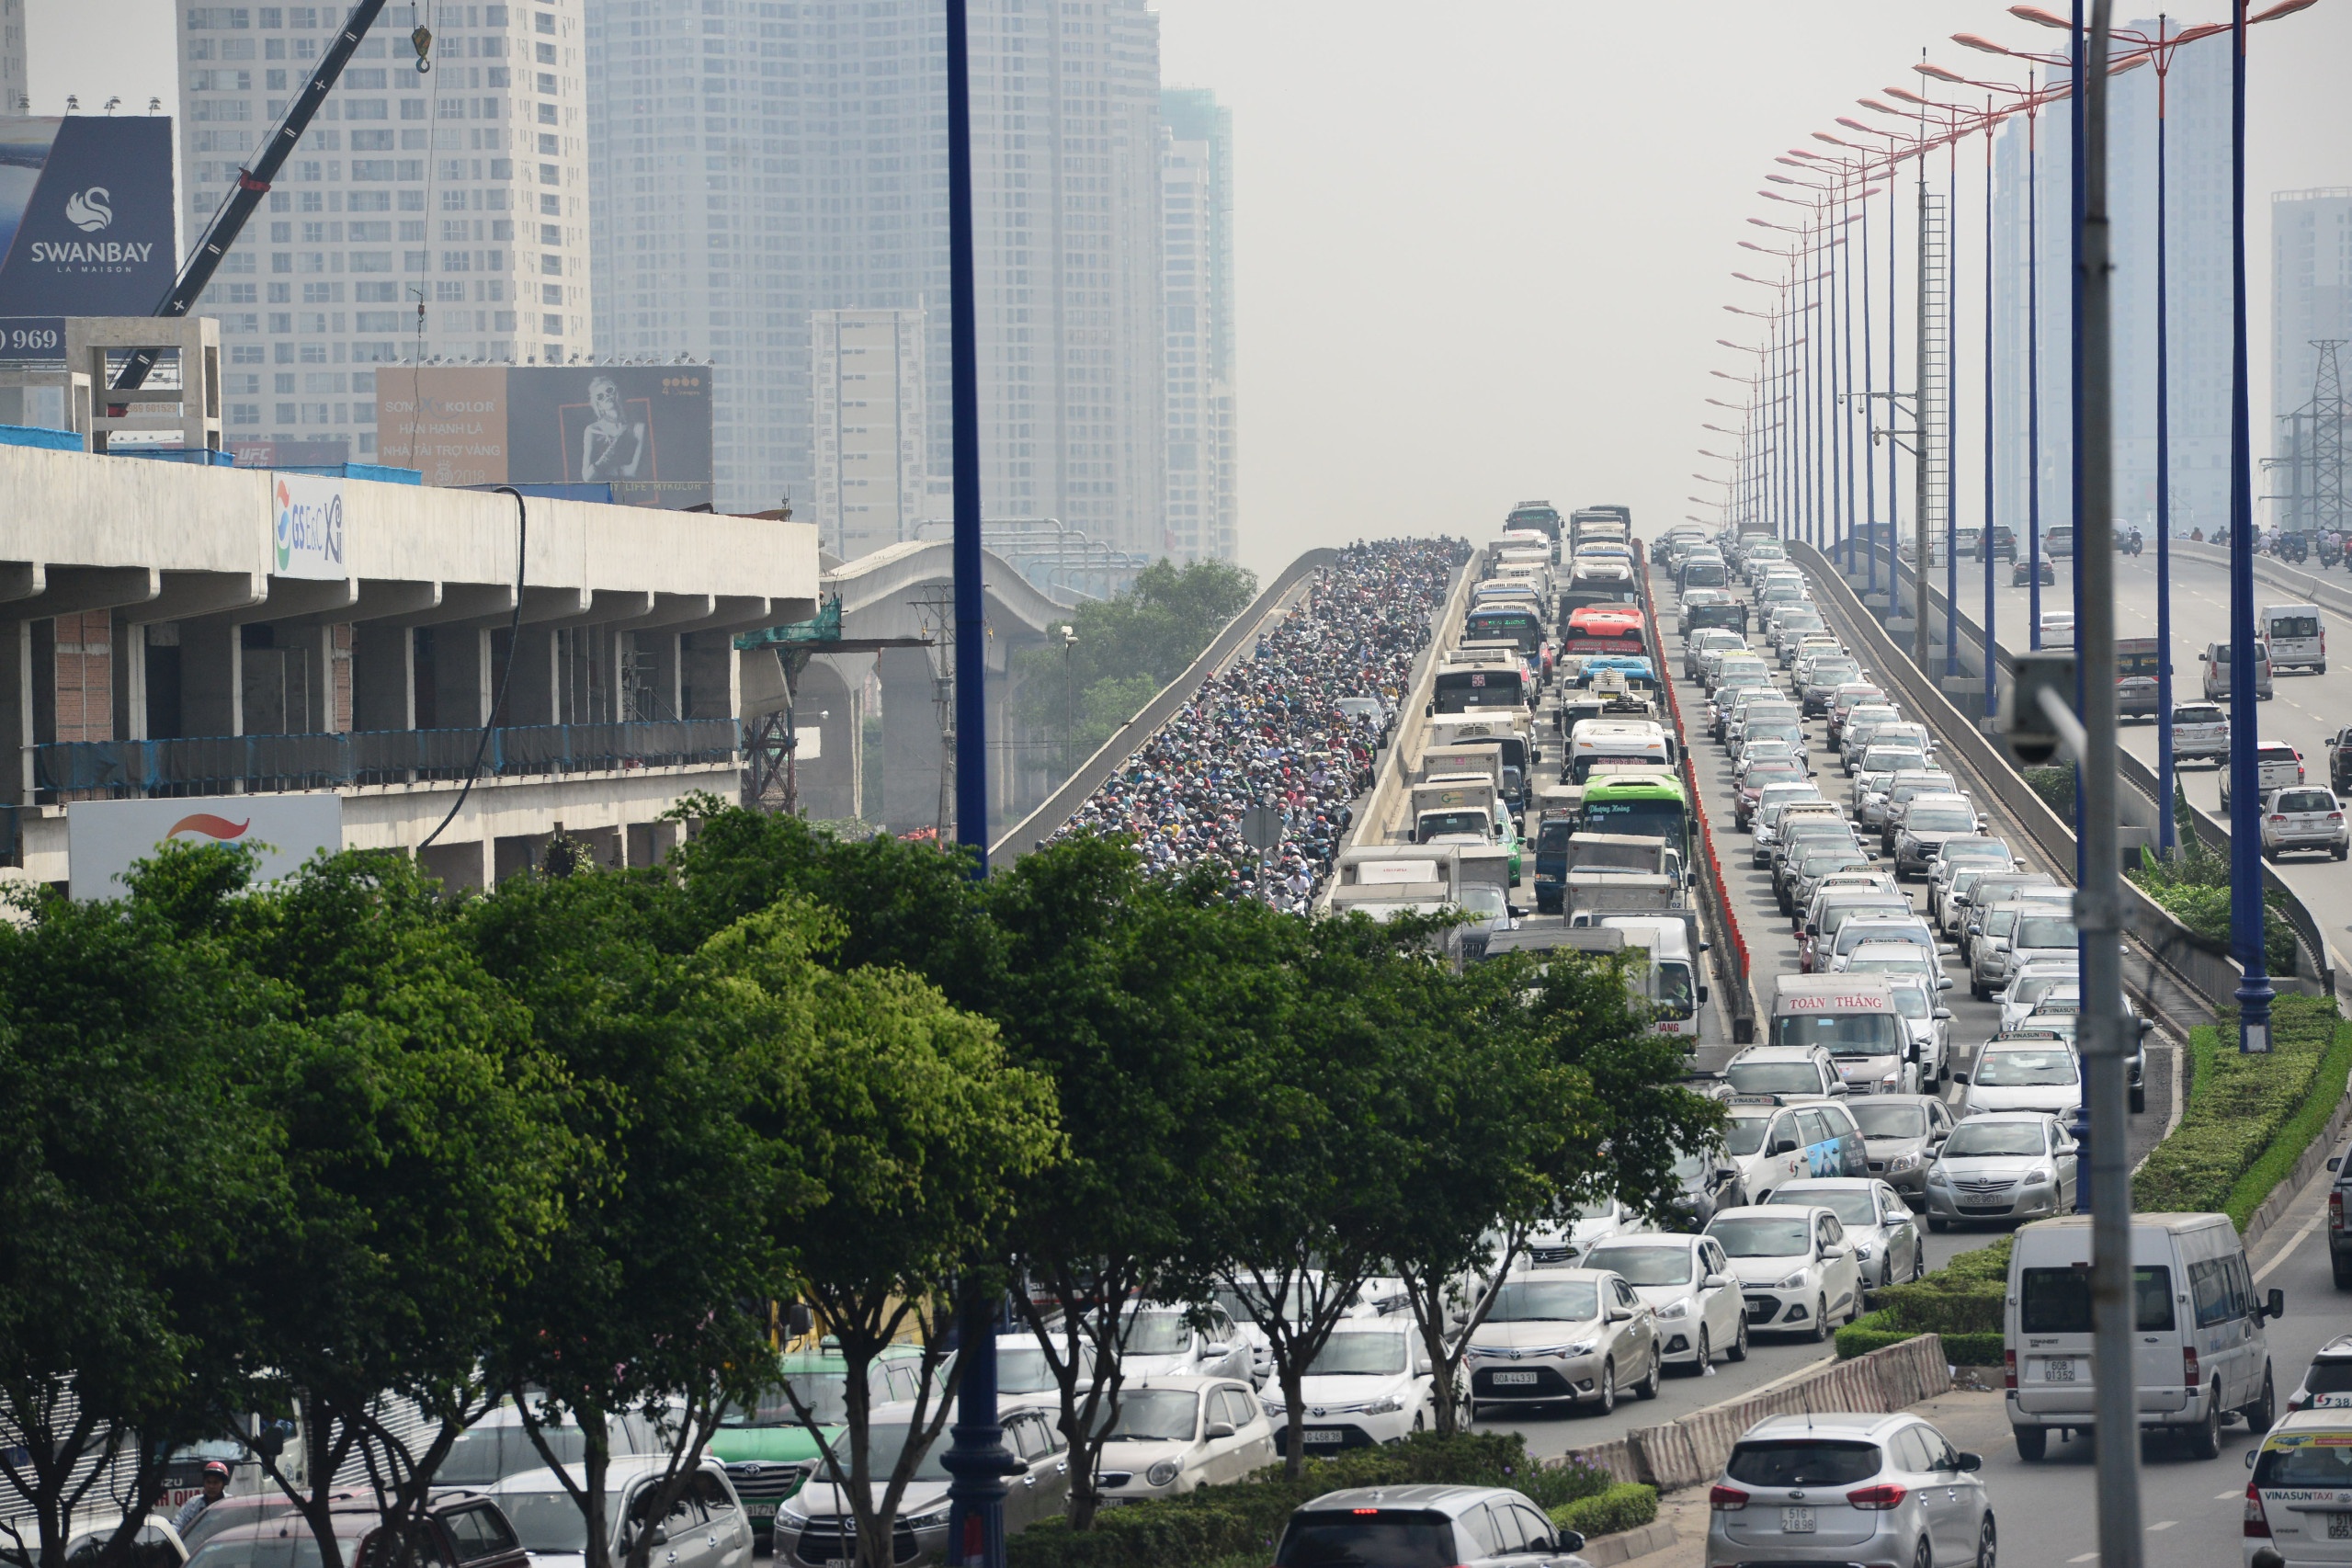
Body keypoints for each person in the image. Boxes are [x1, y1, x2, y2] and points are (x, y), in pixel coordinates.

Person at [578, 374, 646, 482]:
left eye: (609, 390)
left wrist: (603, 471)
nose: (606, 396)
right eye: (600, 396)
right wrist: (608, 455)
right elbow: (586, 477)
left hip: (632, 489)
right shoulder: (592, 430)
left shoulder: (638, 428)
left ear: (617, 393)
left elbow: (634, 471)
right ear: (598, 405)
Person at [171, 1460, 231, 1536]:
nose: (211, 1486)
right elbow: (177, 1525)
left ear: (223, 1484)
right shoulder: (192, 1503)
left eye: (215, 1482)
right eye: (208, 1482)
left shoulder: (231, 1503)